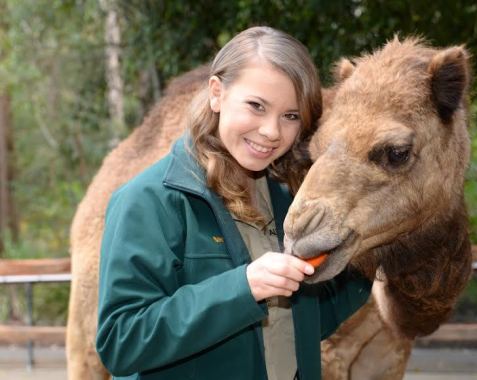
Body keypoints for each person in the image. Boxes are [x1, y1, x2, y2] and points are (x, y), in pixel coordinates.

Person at [96, 26, 371, 380]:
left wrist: (369, 259)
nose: (272, 131)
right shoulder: (147, 201)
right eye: (256, 106)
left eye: (290, 116)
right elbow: (122, 341)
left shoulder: (288, 199)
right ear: (216, 94)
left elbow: (301, 325)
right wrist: (242, 289)